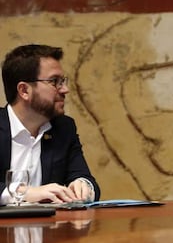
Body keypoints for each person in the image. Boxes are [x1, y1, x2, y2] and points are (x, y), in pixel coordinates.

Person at [0, 44, 100, 205]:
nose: (65, 89)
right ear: (24, 90)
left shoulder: (63, 128)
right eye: (55, 82)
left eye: (63, 81)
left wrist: (83, 186)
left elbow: (84, 177)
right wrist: (24, 192)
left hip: (51, 229)